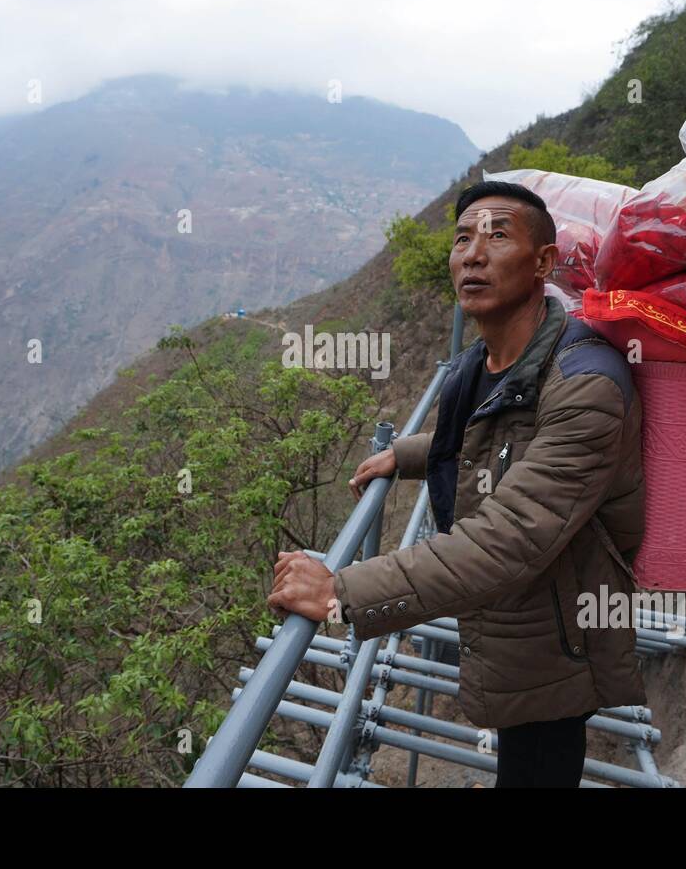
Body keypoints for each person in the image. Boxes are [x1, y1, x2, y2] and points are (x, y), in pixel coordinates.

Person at [268, 180, 646, 787]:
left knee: (539, 763)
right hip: (510, 616)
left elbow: (510, 535)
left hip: (558, 635)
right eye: (463, 238)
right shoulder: (486, 361)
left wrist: (343, 591)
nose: (473, 253)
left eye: (498, 236)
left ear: (544, 262)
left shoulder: (587, 383)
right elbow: (490, 440)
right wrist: (412, 453)